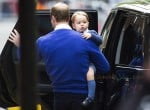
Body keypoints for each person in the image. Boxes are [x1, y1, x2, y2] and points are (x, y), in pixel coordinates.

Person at [8, 2, 110, 110]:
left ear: (53, 18)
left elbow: (27, 63)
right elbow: (105, 68)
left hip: (59, 99)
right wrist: (89, 68)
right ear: (69, 18)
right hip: (84, 99)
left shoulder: (42, 42)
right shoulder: (86, 40)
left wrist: (21, 46)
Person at [71, 11, 103, 106]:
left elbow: (100, 40)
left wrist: (92, 36)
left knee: (90, 73)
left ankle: (90, 97)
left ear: (88, 23)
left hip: (90, 62)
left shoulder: (91, 32)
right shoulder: (72, 35)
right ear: (73, 25)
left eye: (84, 22)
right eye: (79, 23)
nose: (82, 25)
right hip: (78, 62)